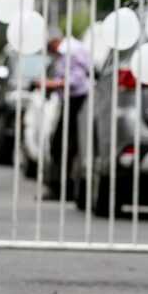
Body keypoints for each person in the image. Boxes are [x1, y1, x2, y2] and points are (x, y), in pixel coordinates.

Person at [40, 31, 90, 200]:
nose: (51, 53)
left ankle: (61, 188)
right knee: (64, 144)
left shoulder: (69, 50)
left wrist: (50, 84)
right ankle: (62, 187)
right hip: (72, 101)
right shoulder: (70, 49)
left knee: (62, 145)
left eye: (49, 49)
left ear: (54, 42)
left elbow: (76, 80)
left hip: (76, 100)